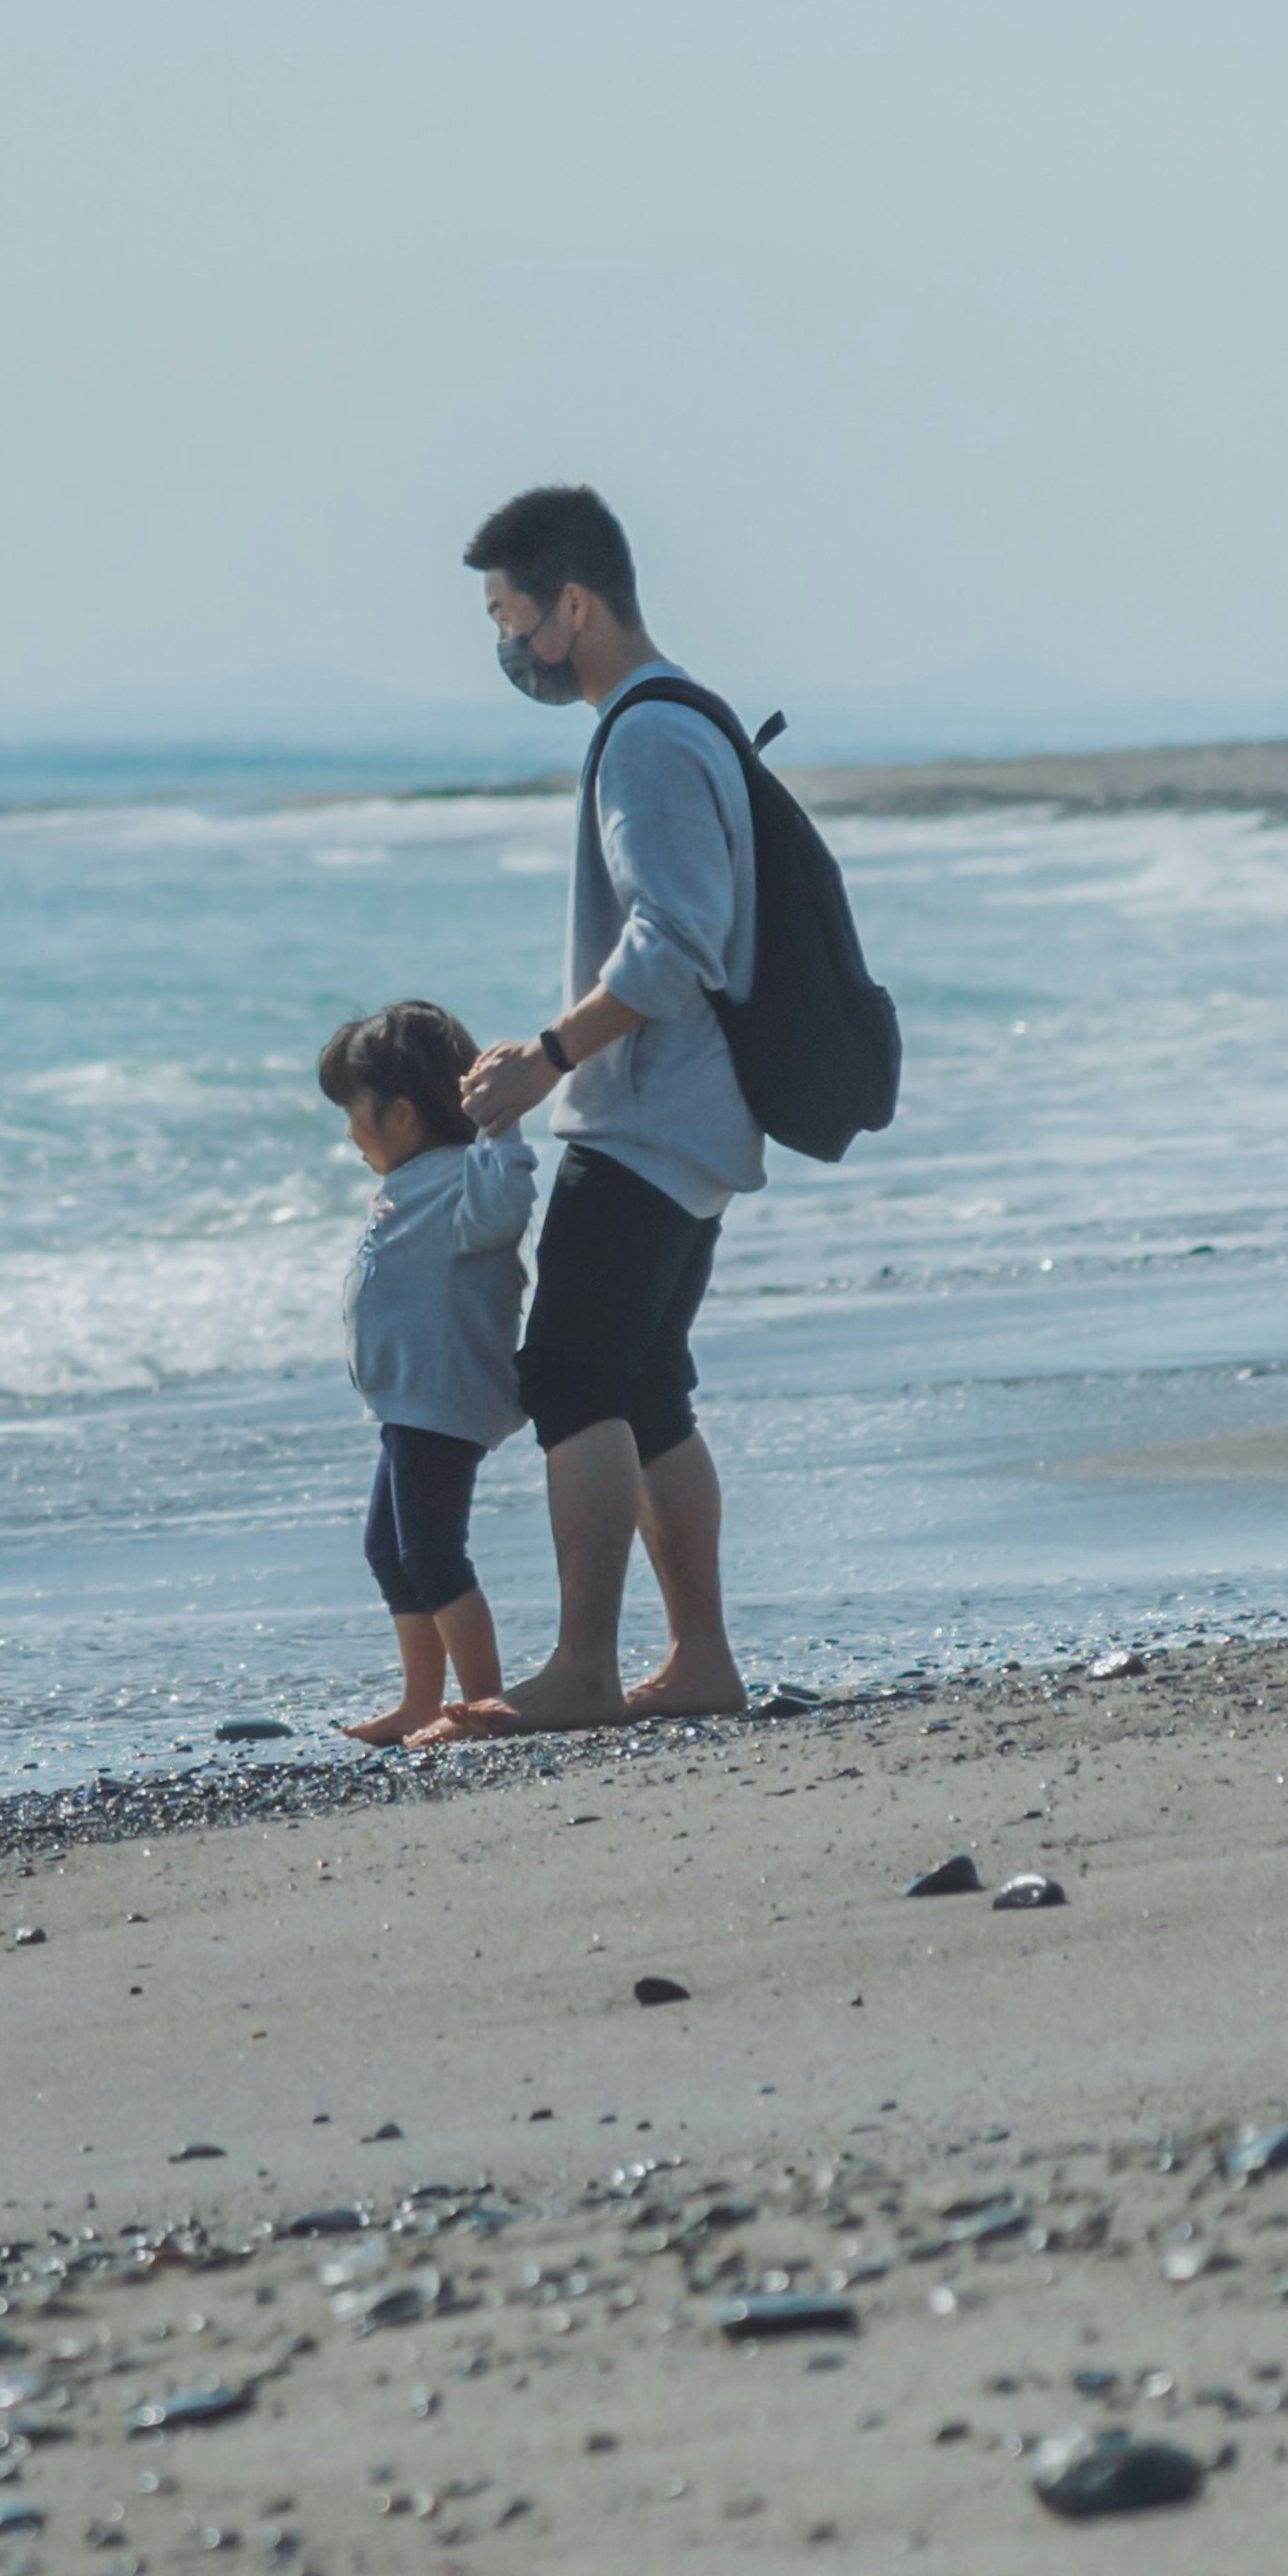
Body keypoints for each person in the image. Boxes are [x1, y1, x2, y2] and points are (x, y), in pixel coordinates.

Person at [446, 483, 757, 1728]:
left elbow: (676, 941)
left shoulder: (644, 734)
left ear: (573, 605)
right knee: (646, 1386)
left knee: (571, 1374)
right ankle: (700, 1660)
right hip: (700, 1119)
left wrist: (547, 1055)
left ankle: (582, 1666)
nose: (508, 646)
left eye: (510, 616)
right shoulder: (688, 717)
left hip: (646, 1116)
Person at [317, 998, 535, 1745]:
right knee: (389, 1550)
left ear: (403, 1113)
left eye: (356, 1111)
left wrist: (502, 1123)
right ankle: (421, 1699)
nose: (349, 1132)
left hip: (442, 1398)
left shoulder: (462, 1176)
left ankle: (483, 1702)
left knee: (433, 1553)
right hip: (407, 1402)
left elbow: (506, 1206)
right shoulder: (415, 1178)